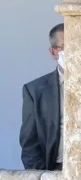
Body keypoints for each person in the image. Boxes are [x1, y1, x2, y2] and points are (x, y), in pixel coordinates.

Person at [20, 23, 65, 171]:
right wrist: (42, 178)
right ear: (54, 52)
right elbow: (30, 143)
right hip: (56, 170)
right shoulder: (35, 91)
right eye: (66, 47)